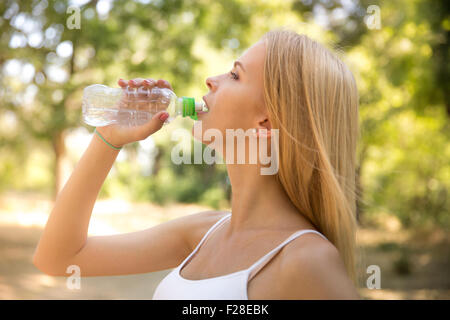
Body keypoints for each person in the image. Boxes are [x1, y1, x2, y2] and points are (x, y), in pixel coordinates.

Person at [33, 29, 361, 299]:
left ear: (266, 122)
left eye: (235, 75)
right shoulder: (202, 232)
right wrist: (108, 138)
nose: (210, 79)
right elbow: (58, 257)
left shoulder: (307, 263)